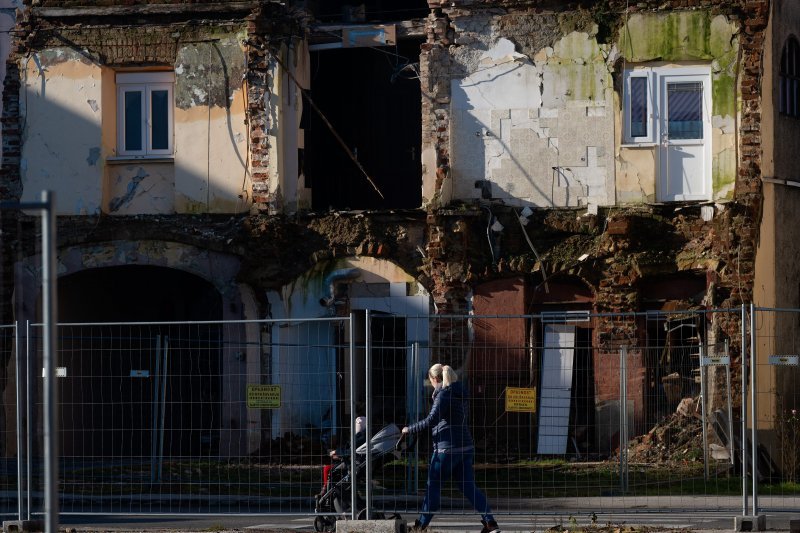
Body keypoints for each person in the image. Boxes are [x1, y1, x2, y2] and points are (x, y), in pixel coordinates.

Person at [402, 364, 500, 533]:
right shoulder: (460, 392)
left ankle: (420, 526)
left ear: (435, 379)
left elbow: (431, 420)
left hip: (446, 450)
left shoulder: (443, 395)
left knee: (433, 487)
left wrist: (409, 429)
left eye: (430, 380)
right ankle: (490, 523)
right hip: (466, 447)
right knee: (469, 487)